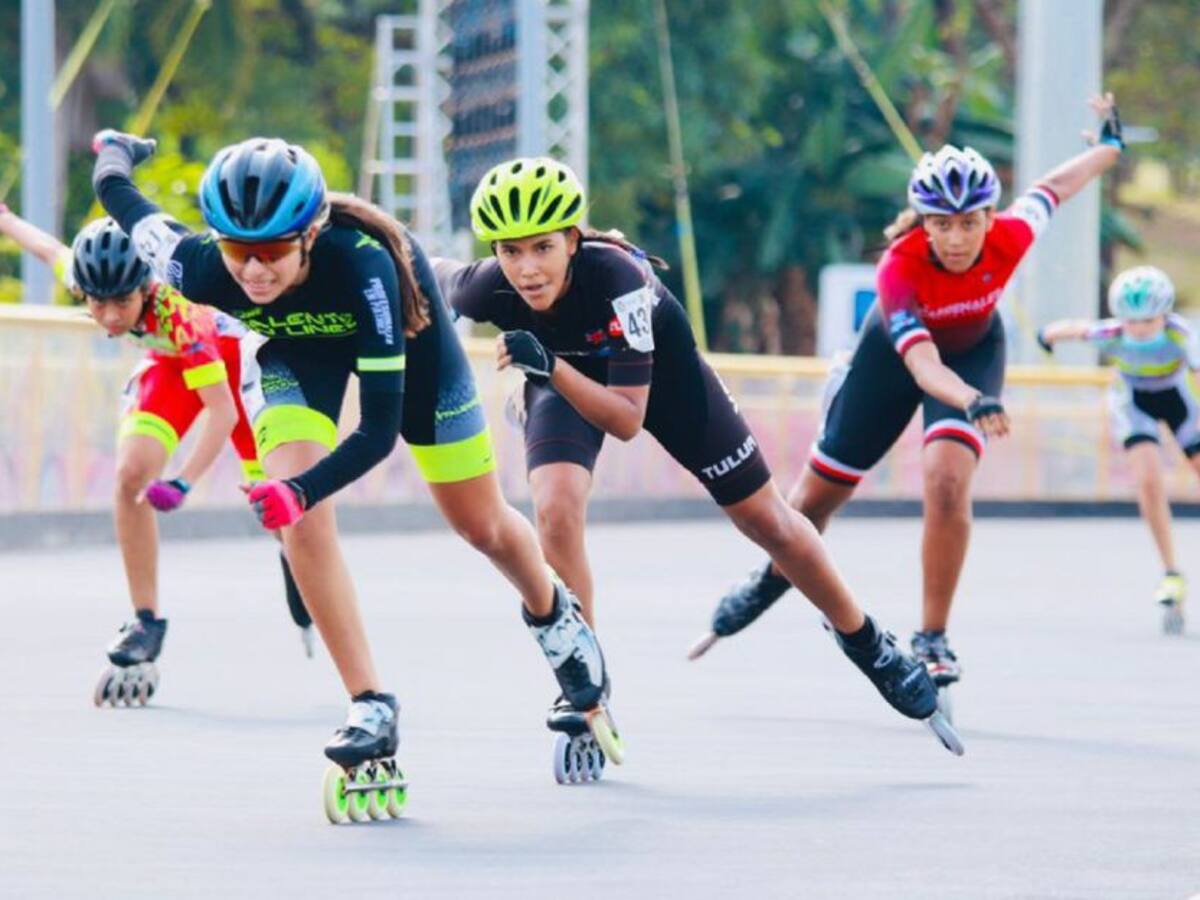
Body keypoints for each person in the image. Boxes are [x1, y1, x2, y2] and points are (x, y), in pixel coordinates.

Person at [91, 132, 621, 811]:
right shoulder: (196, 265)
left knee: (481, 525)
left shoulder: (366, 266)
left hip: (412, 350)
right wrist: (116, 148)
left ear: (309, 233)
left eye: (275, 251)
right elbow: (120, 198)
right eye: (238, 251)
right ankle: (370, 703)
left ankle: (558, 619)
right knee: (303, 524)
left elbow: (376, 432)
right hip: (294, 358)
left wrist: (298, 488)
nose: (254, 271)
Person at [436, 156, 961, 757]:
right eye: (510, 251)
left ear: (573, 240)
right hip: (561, 380)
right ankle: (582, 680)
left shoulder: (618, 281)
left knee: (767, 522)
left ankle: (867, 641)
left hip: (660, 387)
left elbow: (628, 420)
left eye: (542, 248)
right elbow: (422, 273)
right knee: (554, 509)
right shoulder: (488, 284)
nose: (526, 269)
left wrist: (548, 365)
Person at [697, 94, 1126, 706]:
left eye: (968, 223)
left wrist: (1109, 147)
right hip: (892, 364)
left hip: (976, 351)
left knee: (948, 481)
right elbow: (922, 364)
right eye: (941, 224)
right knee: (814, 502)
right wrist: (973, 399)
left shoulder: (1012, 233)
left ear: (989, 216)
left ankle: (932, 638)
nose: (955, 238)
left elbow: (1057, 185)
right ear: (922, 221)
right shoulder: (899, 268)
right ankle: (770, 580)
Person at [0, 203, 314, 703]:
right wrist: (8, 220)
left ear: (145, 288)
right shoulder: (93, 278)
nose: (107, 316)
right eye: (95, 303)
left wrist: (184, 481)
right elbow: (48, 250)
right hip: (170, 367)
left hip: (231, 366)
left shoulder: (179, 313)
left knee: (279, 512)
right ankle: (146, 620)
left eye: (120, 303)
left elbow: (223, 413)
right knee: (130, 475)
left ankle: (298, 574)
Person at [1039, 265, 1196, 634]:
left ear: (1165, 313)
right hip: (1134, 404)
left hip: (1179, 402)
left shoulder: (1180, 334)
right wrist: (1045, 335)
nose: (1139, 329)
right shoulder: (1111, 333)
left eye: (1149, 321)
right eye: (1132, 322)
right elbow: (1075, 329)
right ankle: (1170, 571)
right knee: (1148, 482)